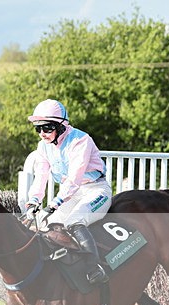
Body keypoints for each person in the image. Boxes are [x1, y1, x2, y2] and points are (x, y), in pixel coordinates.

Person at [25, 99, 112, 284]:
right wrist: (33, 202)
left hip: (95, 190)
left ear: (61, 126)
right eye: (38, 128)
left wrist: (54, 203)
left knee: (74, 221)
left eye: (47, 128)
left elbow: (74, 178)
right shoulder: (43, 147)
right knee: (43, 222)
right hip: (71, 195)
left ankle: (94, 267)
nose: (42, 133)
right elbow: (41, 177)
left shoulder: (81, 140)